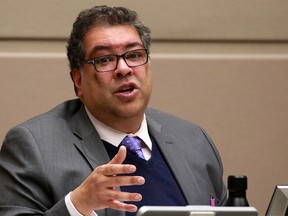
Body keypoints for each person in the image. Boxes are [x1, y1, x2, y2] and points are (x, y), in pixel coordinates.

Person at [0, 5, 227, 216]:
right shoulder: (33, 146)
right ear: (78, 80)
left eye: (134, 55)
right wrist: (77, 206)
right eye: (105, 59)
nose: (123, 69)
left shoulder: (194, 140)